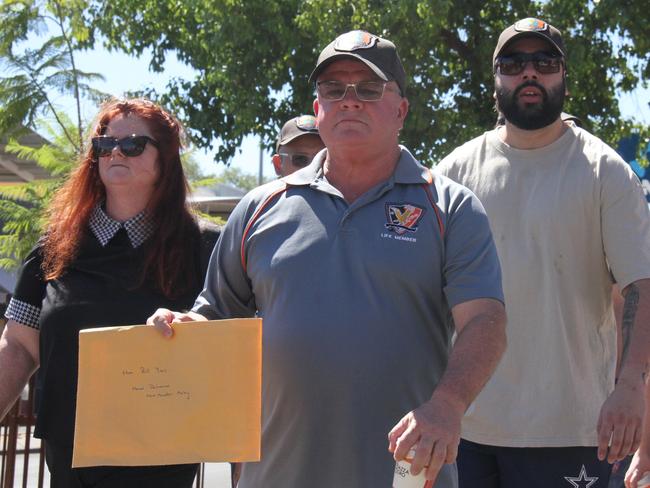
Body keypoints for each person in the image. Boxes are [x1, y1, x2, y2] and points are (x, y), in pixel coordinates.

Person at [149, 30, 507, 488]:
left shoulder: (449, 208)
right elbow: (216, 318)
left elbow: (486, 321)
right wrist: (181, 328)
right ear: (318, 110)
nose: (349, 101)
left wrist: (448, 405)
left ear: (401, 109)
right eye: (334, 90)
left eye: (369, 88)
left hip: (405, 475)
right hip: (277, 473)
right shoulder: (259, 208)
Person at [435, 17, 650, 488]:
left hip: (570, 430)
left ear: (563, 79)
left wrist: (632, 387)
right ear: (495, 81)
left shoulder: (605, 171)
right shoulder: (452, 173)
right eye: (513, 63)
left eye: (544, 61)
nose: (529, 73)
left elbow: (640, 287)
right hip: (465, 426)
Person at [0, 98, 220, 487]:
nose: (116, 151)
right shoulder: (54, 246)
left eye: (133, 144)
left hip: (162, 465)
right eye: (104, 144)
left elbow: (231, 351)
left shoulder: (204, 248)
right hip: (67, 463)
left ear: (165, 160)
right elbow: (18, 346)